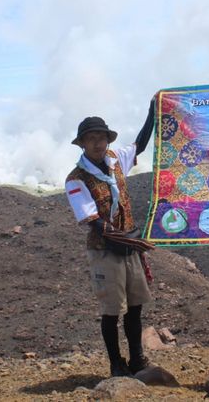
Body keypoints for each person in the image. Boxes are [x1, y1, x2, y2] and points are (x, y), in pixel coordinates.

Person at [64, 103, 155, 377]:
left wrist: (152, 112)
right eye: (91, 139)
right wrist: (128, 241)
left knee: (136, 304)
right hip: (105, 251)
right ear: (82, 144)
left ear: (107, 140)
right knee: (112, 309)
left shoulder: (115, 160)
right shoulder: (76, 179)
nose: (97, 143)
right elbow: (93, 220)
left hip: (129, 246)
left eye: (101, 137)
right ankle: (116, 364)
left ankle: (137, 358)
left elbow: (139, 145)